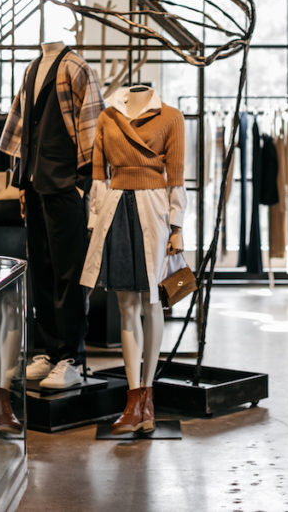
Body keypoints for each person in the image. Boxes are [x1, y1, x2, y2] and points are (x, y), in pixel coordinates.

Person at [80, 85, 186, 434]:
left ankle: (148, 395)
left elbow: (176, 176)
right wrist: (95, 221)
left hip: (153, 210)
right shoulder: (107, 116)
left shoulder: (171, 117)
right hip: (117, 209)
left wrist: (177, 227)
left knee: (153, 303)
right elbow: (98, 174)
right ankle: (133, 397)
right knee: (126, 306)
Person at [0, 41, 104, 390]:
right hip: (34, 183)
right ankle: (46, 351)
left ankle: (70, 357)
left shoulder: (75, 67)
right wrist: (21, 178)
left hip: (65, 184)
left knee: (68, 273)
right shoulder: (32, 68)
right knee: (41, 271)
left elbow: (91, 125)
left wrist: (82, 183)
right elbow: (23, 127)